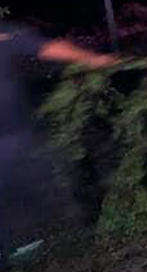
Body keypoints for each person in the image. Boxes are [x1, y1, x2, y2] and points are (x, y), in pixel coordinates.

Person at [1, 23, 118, 270]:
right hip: (10, 136)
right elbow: (49, 47)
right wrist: (94, 59)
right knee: (25, 181)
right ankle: (22, 244)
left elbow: (43, 47)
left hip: (11, 132)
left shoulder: (7, 34)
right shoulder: (5, 34)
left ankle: (22, 242)